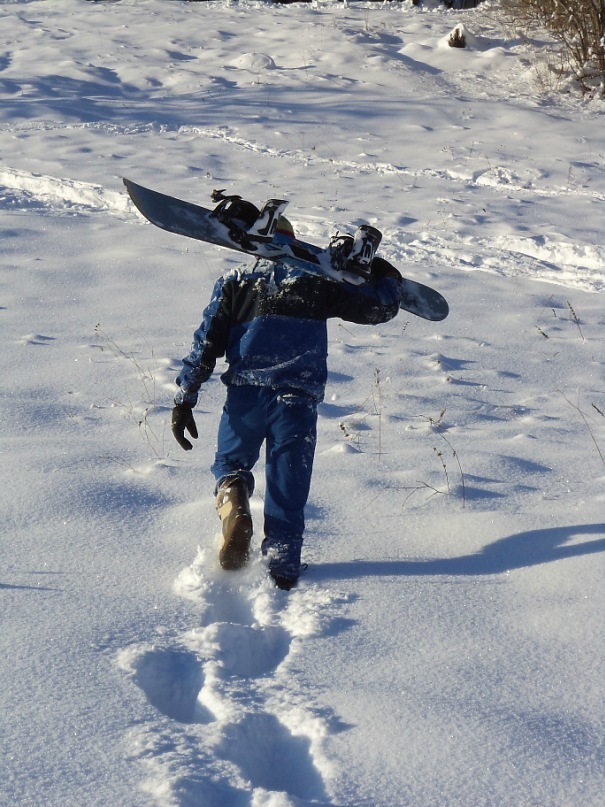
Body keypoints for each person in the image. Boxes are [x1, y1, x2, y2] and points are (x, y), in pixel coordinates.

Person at [171, 215, 402, 590]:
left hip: (245, 395)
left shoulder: (235, 281)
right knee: (288, 486)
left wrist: (185, 396)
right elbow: (377, 309)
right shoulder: (316, 281)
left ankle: (234, 502)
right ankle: (282, 566)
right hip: (296, 399)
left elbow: (205, 345)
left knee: (230, 465)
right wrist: (386, 274)